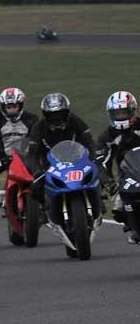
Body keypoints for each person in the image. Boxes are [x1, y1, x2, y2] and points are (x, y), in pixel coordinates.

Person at [0, 88, 39, 208]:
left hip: (27, 158)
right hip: (4, 158)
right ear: (3, 106)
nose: (11, 110)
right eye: (8, 107)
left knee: (44, 174)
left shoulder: (32, 119)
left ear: (21, 105)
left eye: (14, 106)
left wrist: (35, 155)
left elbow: (38, 139)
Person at [26, 93, 96, 198]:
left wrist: (92, 159)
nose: (56, 119)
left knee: (95, 175)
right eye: (52, 116)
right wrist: (37, 171)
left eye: (60, 115)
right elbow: (32, 154)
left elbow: (89, 142)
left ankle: (98, 200)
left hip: (77, 163)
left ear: (66, 113)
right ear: (45, 115)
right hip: (50, 167)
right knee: (34, 189)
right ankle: (43, 209)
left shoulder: (76, 121)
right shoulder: (38, 127)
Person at [95, 91, 140, 243]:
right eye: (117, 113)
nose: (120, 116)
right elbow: (100, 161)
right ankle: (134, 227)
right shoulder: (107, 136)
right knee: (118, 210)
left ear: (132, 111)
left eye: (124, 112)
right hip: (126, 176)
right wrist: (108, 181)